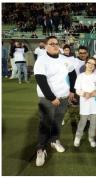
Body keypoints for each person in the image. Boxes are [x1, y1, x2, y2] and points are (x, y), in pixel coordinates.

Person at [34, 36, 76, 166]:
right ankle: (41, 149)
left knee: (57, 122)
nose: (55, 45)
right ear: (46, 46)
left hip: (63, 98)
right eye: (51, 44)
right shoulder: (41, 60)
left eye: (57, 43)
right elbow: (40, 80)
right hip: (48, 99)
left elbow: (73, 74)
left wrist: (72, 90)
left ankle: (54, 140)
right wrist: (52, 97)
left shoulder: (65, 59)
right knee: (45, 124)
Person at [73, 57, 96, 148]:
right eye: (89, 63)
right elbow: (77, 90)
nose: (91, 65)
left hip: (95, 104)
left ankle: (91, 138)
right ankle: (78, 137)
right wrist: (85, 94)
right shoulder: (80, 76)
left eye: (93, 64)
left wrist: (94, 93)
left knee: (93, 123)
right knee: (83, 122)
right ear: (86, 63)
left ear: (95, 67)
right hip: (85, 103)